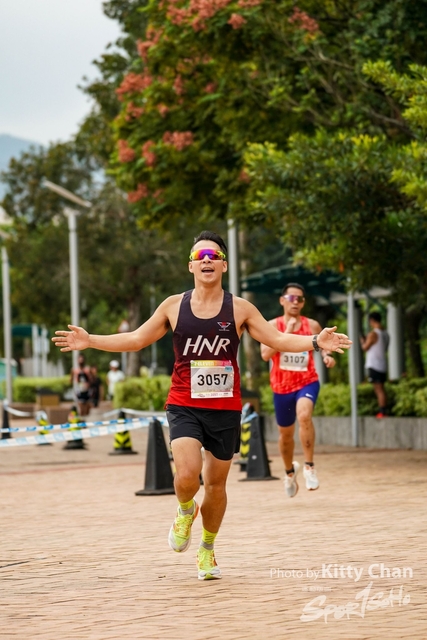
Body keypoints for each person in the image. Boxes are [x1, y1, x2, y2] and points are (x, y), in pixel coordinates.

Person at [52, 230, 351, 581]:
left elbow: (277, 339)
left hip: (225, 409)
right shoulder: (172, 306)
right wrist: (90, 340)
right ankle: (184, 510)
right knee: (186, 475)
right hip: (184, 404)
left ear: (224, 265)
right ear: (191, 266)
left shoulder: (240, 309)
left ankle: (207, 549)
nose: (207, 260)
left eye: (213, 256)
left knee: (216, 485)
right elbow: (136, 339)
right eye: (200, 256)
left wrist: (315, 341)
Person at [260, 283, 336, 498]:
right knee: (285, 435)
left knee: (304, 415)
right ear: (282, 300)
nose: (295, 303)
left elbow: (322, 345)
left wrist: (327, 356)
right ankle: (289, 472)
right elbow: (265, 355)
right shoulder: (271, 325)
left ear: (303, 303)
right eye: (291, 298)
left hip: (307, 381)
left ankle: (309, 466)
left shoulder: (312, 325)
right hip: (281, 387)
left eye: (300, 299)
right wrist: (287, 333)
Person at [360, 311, 389, 418]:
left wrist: (362, 341)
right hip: (382, 363)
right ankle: (383, 410)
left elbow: (365, 347)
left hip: (375, 364)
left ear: (372, 320)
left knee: (378, 389)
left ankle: (382, 411)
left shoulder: (374, 334)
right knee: (381, 388)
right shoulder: (385, 334)